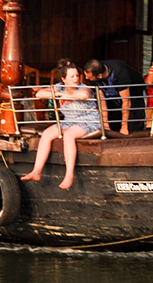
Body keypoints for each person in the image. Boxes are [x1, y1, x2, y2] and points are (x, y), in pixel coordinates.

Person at [21, 62, 105, 190]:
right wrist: (58, 94)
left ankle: (69, 175)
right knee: (47, 134)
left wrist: (67, 96)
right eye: (72, 76)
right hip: (69, 120)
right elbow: (39, 94)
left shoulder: (83, 87)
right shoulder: (59, 87)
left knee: (69, 134)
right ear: (63, 79)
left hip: (88, 120)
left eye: (77, 75)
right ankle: (36, 171)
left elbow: (83, 95)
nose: (76, 78)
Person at [83, 59, 144, 135]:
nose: (86, 78)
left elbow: (126, 101)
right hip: (112, 99)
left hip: (133, 97)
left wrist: (124, 127)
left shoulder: (120, 73)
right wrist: (105, 124)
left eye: (89, 77)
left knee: (133, 129)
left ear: (100, 76)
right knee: (112, 128)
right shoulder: (94, 76)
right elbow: (102, 100)